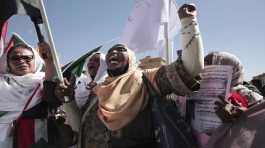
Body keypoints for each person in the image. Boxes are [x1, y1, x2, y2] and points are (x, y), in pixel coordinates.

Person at [94, 3, 204, 148]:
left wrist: (188, 22)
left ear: (132, 58)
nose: (113, 53)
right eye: (110, 52)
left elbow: (191, 67)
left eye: (121, 49)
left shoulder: (147, 79)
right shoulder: (99, 91)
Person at [188, 51, 264, 148]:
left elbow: (258, 125)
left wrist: (243, 115)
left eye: (215, 69)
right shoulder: (196, 95)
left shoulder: (250, 97)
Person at [0, 33, 58, 148]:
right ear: (8, 63)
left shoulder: (45, 80)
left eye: (27, 58)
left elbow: (52, 98)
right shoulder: (2, 86)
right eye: (15, 58)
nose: (21, 61)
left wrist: (49, 62)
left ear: (35, 60)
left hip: (39, 139)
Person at [74, 52, 109, 148]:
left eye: (97, 60)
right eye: (90, 60)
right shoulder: (82, 88)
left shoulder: (110, 85)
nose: (91, 63)